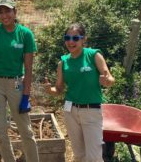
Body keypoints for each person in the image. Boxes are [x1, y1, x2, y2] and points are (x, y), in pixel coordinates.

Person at [44, 23, 115, 162]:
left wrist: (107, 81)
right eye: (67, 37)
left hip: (91, 111)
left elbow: (110, 78)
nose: (71, 41)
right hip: (70, 111)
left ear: (84, 39)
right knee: (79, 155)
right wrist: (49, 90)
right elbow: (59, 90)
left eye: (75, 38)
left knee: (94, 157)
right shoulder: (63, 62)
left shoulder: (93, 55)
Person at [0, 0, 39, 162]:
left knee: (26, 130)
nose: (4, 15)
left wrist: (26, 97)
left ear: (15, 11)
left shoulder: (25, 34)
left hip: (16, 83)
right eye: (0, 12)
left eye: (7, 10)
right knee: (0, 131)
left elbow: (28, 69)